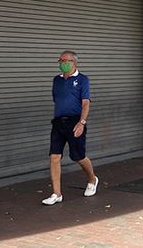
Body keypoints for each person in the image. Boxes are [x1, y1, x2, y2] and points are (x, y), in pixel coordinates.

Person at [42, 50, 99, 205]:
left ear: (74, 62)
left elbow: (85, 103)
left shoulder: (82, 80)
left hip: (75, 121)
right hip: (58, 122)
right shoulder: (57, 80)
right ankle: (56, 193)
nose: (62, 63)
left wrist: (81, 122)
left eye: (65, 60)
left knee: (78, 156)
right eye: (60, 60)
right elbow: (57, 99)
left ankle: (92, 179)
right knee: (54, 156)